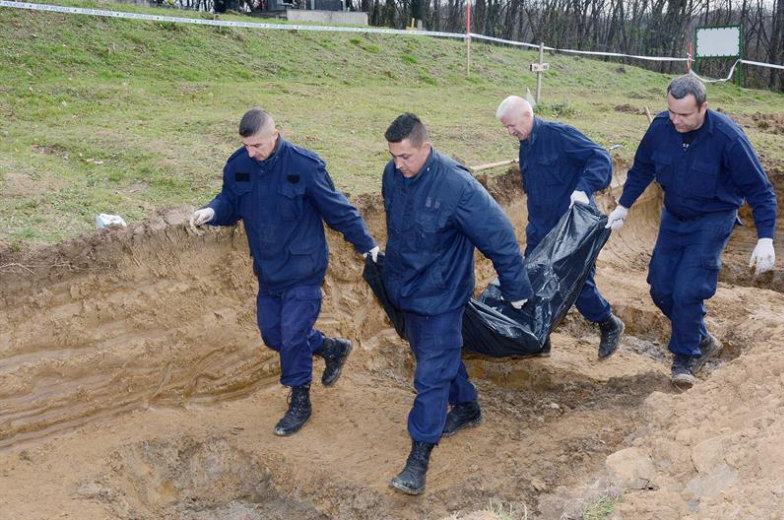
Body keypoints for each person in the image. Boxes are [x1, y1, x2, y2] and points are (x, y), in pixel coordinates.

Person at [189, 109, 379, 435]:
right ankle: (330, 348)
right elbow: (230, 201)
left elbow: (338, 210)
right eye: (247, 146)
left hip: (304, 269)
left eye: (258, 146)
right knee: (273, 335)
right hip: (268, 270)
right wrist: (212, 211)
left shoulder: (304, 166)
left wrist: (368, 245)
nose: (252, 153)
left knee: (292, 336)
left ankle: (300, 400)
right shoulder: (239, 164)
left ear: (275, 135)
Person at [378, 113, 533, 495]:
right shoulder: (392, 175)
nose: (398, 164)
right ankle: (467, 406)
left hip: (443, 296)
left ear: (426, 148)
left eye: (405, 157)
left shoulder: (457, 186)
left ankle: (418, 459)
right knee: (434, 358)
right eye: (393, 156)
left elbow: (500, 236)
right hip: (407, 291)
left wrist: (516, 289)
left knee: (430, 375)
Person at [606, 75, 777, 389]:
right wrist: (623, 206)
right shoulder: (661, 128)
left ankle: (685, 358)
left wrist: (765, 237)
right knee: (660, 288)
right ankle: (702, 338)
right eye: (672, 112)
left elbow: (760, 190)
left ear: (703, 108)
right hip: (675, 215)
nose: (676, 120)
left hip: (713, 218)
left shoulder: (727, 137)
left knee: (688, 290)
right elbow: (642, 167)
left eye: (684, 114)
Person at [496, 96, 625, 359]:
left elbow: (599, 157)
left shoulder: (558, 135)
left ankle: (608, 323)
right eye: (506, 127)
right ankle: (538, 338)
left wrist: (583, 188)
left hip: (571, 226)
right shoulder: (526, 144)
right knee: (533, 279)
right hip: (540, 227)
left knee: (577, 285)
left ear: (526, 115)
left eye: (512, 125)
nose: (510, 132)